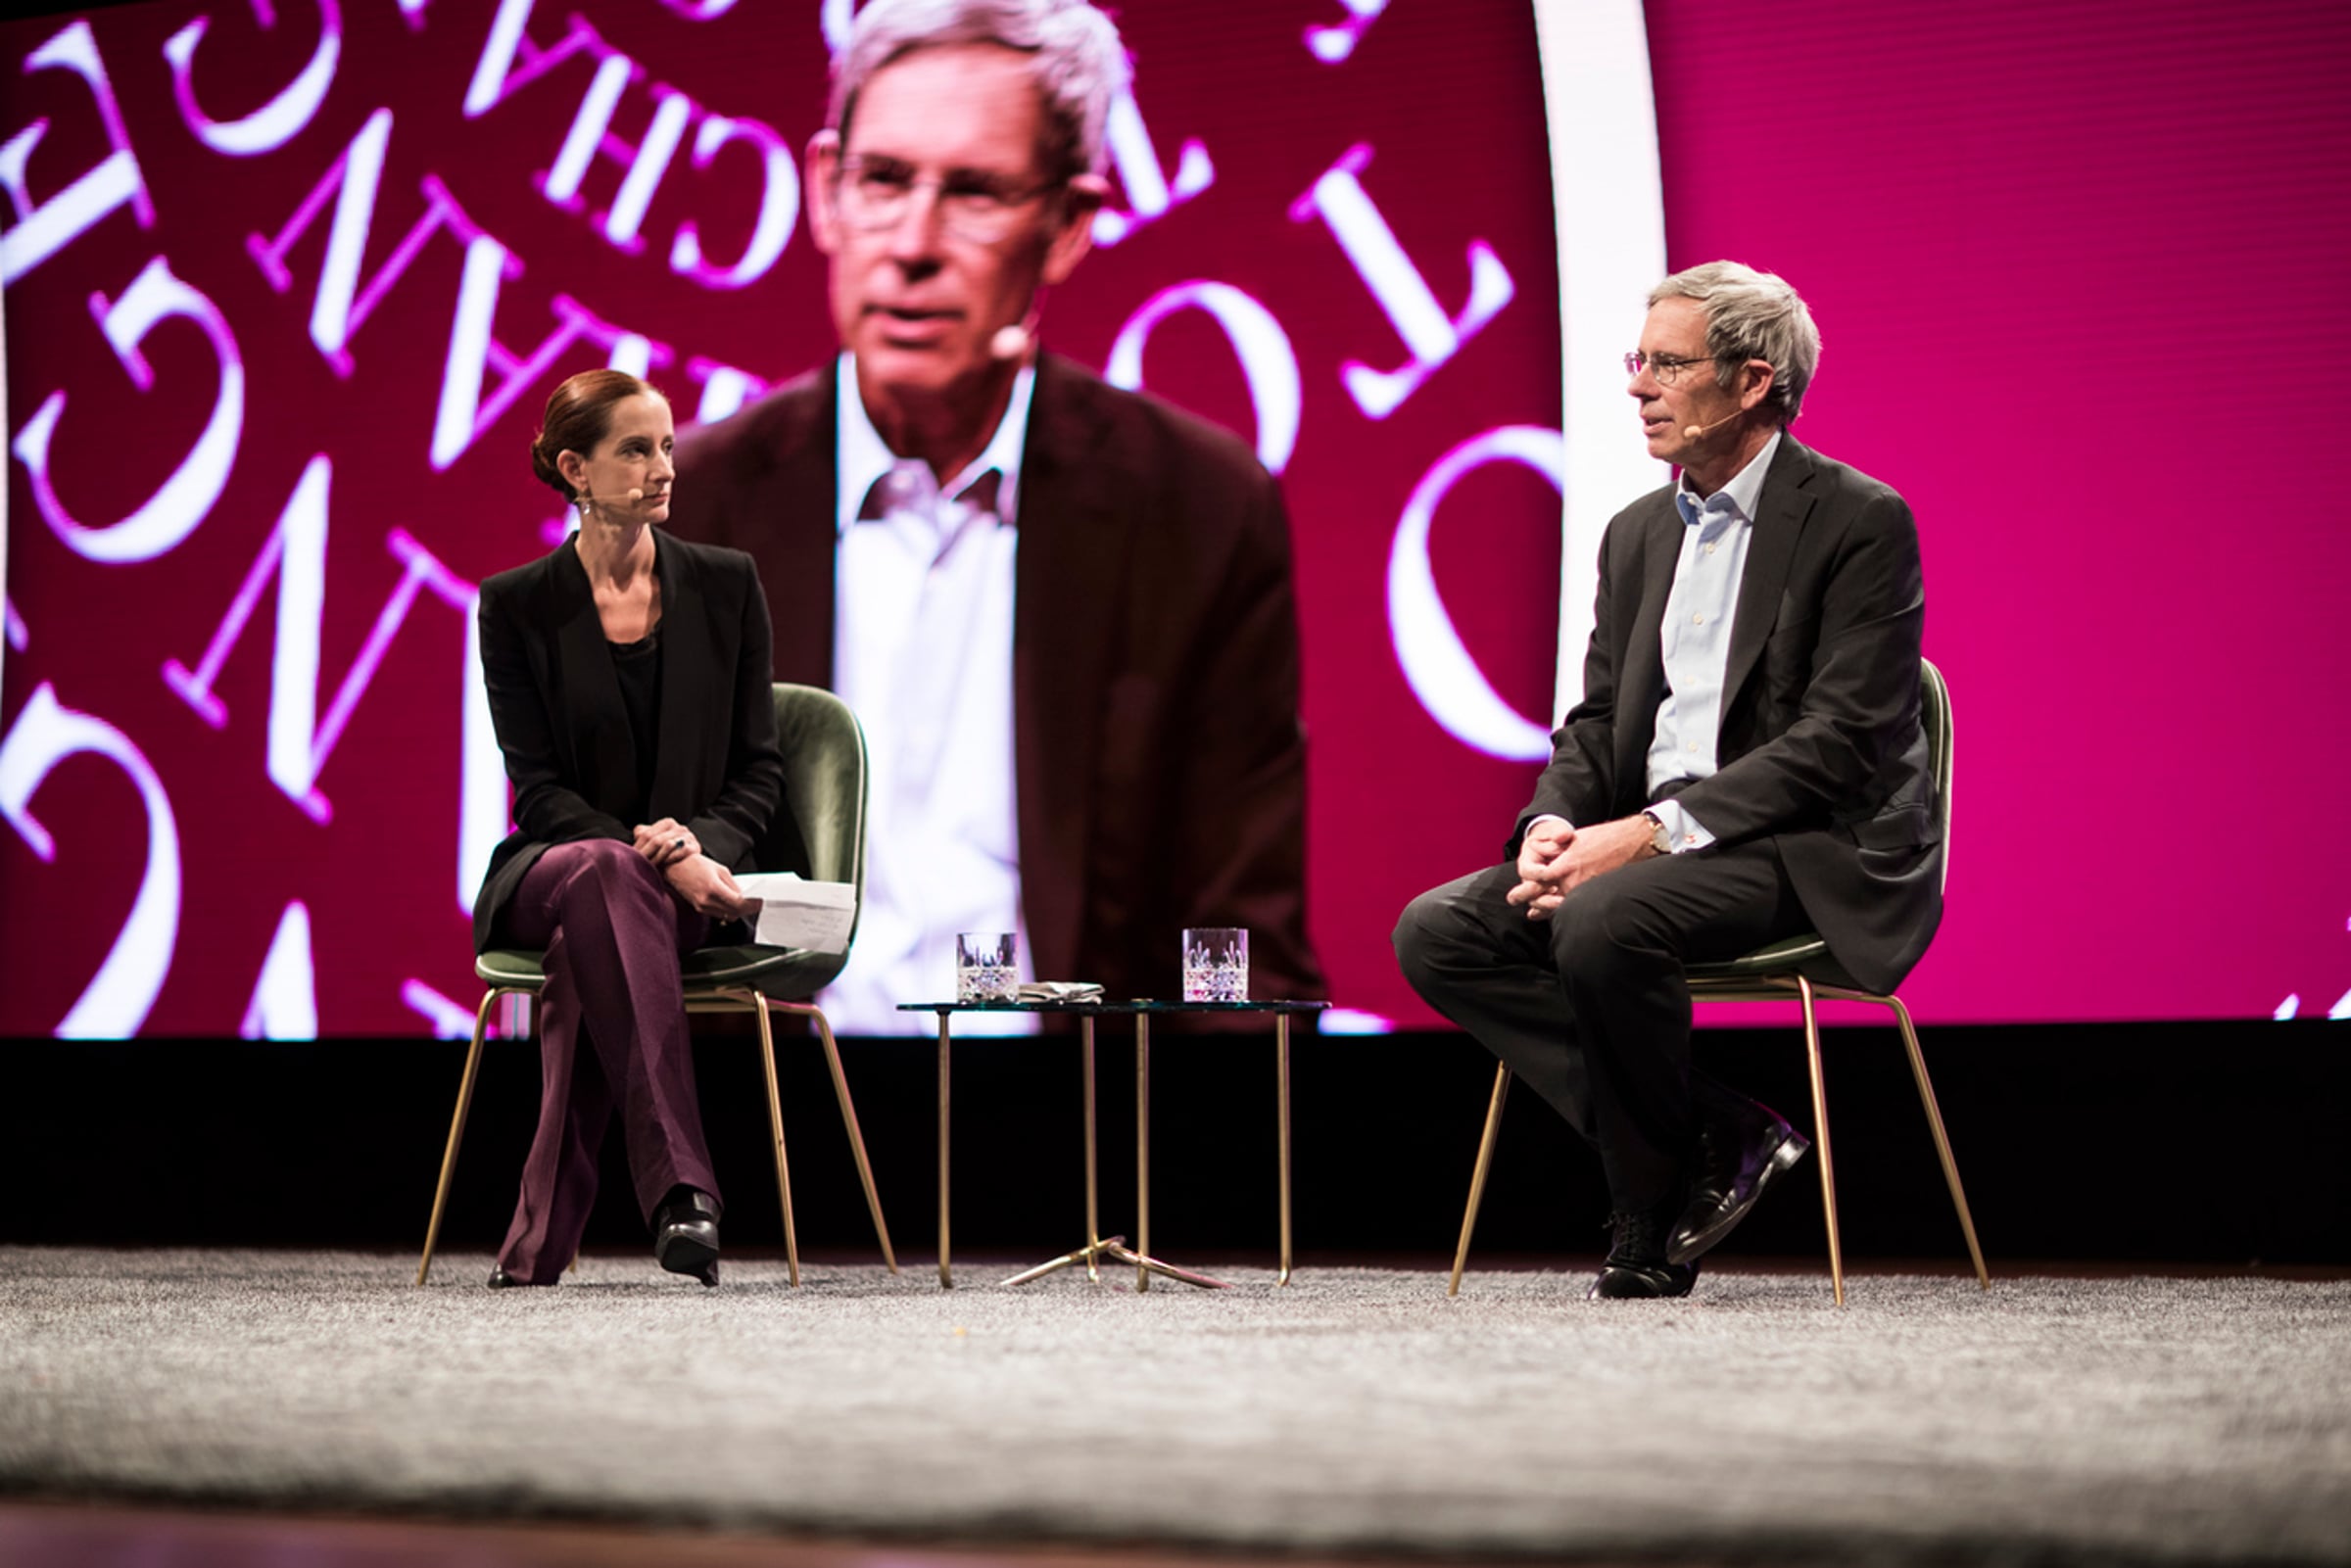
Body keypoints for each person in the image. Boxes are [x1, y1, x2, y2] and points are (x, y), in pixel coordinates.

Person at [667, 0, 1323, 1034]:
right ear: (825, 190)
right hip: (776, 1109)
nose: (914, 244)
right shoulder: (689, 511)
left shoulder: (1194, 508)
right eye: (884, 180)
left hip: (1071, 1106)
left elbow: (1236, 938)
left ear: (1068, 224)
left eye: (974, 191)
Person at [1393, 261, 1941, 1299]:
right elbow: (1602, 720)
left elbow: (1838, 743)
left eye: (1669, 364)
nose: (1638, 385)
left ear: (1752, 381)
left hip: (1804, 845)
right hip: (1655, 846)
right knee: (1440, 930)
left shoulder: (1860, 520)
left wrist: (1645, 834)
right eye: (1637, 360)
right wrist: (1554, 823)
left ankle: (1645, 1215)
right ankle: (1712, 1132)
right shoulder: (1639, 532)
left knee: (1605, 919)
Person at [471, 369, 785, 1288]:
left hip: (688, 883)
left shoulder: (726, 584)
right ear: (576, 469)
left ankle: (538, 1239)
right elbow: (537, 788)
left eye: (668, 447)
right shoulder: (516, 603)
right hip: (554, 866)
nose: (664, 468)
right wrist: (655, 850)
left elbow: (759, 769)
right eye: (637, 450)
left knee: (593, 945)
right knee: (604, 876)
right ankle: (680, 1186)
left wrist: (694, 848)